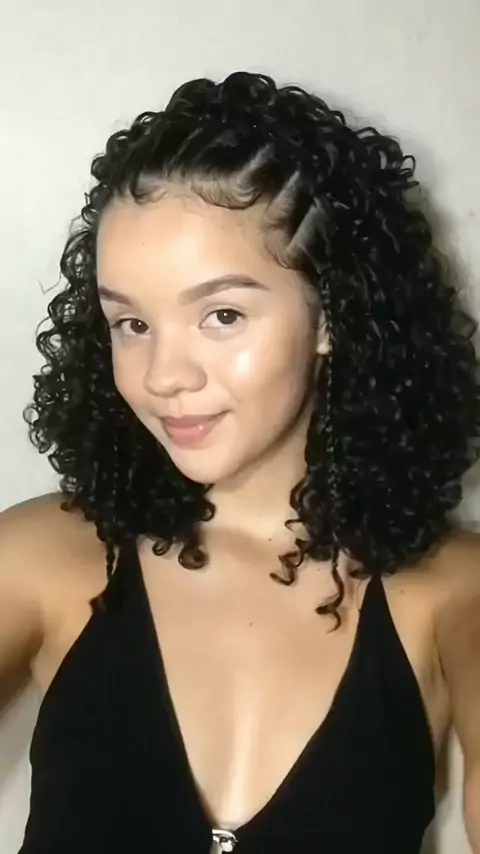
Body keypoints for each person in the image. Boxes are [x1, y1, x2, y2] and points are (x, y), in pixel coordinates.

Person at [0, 70, 479, 854]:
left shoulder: (454, 590)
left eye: (221, 315)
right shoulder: (39, 559)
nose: (163, 376)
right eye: (131, 323)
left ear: (332, 315)